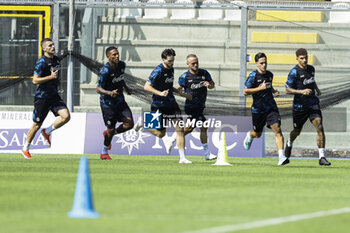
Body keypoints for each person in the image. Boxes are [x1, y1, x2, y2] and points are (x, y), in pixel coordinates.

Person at [135, 48, 193, 164]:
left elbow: (169, 86)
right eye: (170, 61)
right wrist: (160, 93)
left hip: (171, 104)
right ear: (163, 59)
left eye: (173, 61)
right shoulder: (158, 71)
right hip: (158, 105)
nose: (172, 63)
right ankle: (143, 123)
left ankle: (182, 158)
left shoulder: (171, 69)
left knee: (180, 129)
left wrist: (183, 94)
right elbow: (146, 86)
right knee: (161, 134)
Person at [21, 38, 70, 159]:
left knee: (66, 116)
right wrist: (51, 77)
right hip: (42, 98)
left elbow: (56, 75)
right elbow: (35, 80)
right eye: (50, 45)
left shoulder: (57, 59)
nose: (53, 47)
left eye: (53, 45)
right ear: (44, 48)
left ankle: (47, 132)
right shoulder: (41, 62)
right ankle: (25, 148)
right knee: (36, 124)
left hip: (54, 96)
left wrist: (57, 81)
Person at [285, 48, 331, 166]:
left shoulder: (311, 69)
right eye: (301, 58)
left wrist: (317, 89)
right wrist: (301, 92)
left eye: (306, 57)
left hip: (312, 104)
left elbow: (311, 81)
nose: (304, 60)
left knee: (319, 126)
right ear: (297, 58)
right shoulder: (294, 72)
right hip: (299, 107)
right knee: (297, 131)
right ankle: (289, 142)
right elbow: (287, 90)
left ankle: (322, 157)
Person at [243, 52, 289, 166]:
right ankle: (250, 135)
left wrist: (273, 91)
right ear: (257, 64)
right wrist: (260, 88)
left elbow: (269, 86)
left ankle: (281, 157)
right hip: (258, 110)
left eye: (265, 62)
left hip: (270, 107)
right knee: (257, 134)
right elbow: (245, 91)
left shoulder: (269, 75)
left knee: (277, 129)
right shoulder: (253, 76)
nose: (264, 65)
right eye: (262, 63)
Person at [176, 54, 217, 160]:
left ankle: (175, 138)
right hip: (191, 106)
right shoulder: (185, 77)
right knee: (204, 126)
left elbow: (212, 85)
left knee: (189, 128)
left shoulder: (204, 73)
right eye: (193, 63)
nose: (195, 65)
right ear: (188, 64)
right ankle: (207, 154)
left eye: (196, 62)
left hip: (200, 106)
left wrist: (210, 85)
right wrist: (185, 95)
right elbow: (177, 90)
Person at [97, 46, 134, 160]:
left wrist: (126, 88)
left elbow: (121, 78)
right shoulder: (105, 70)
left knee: (130, 124)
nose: (117, 56)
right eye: (114, 55)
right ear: (108, 56)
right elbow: (98, 89)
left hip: (120, 101)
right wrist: (109, 92)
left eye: (117, 54)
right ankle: (104, 152)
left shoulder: (122, 65)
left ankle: (110, 134)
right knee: (110, 129)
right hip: (108, 104)